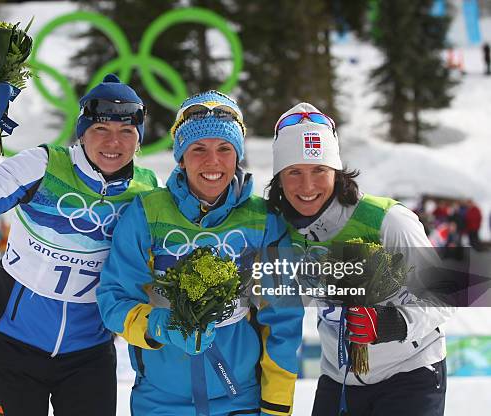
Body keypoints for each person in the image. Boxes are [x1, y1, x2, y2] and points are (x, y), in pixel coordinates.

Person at [0, 74, 158, 416]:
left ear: (138, 139)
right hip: (15, 348)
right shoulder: (43, 165)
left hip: (89, 355)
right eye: (101, 129)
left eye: (126, 131)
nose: (114, 142)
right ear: (82, 133)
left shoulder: (145, 188)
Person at [97, 91, 303, 416]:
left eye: (224, 148)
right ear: (180, 157)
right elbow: (113, 299)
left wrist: (276, 405)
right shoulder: (147, 214)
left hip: (241, 399)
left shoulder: (263, 220)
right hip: (160, 401)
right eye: (198, 149)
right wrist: (159, 325)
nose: (213, 161)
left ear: (237, 156)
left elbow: (283, 320)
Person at [266, 102, 454, 416]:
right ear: (279, 178)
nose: (307, 185)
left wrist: (388, 323)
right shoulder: (278, 227)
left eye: (319, 170)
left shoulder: (387, 220)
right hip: (339, 376)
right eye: (294, 172)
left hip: (409, 373)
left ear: (336, 172)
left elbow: (446, 292)